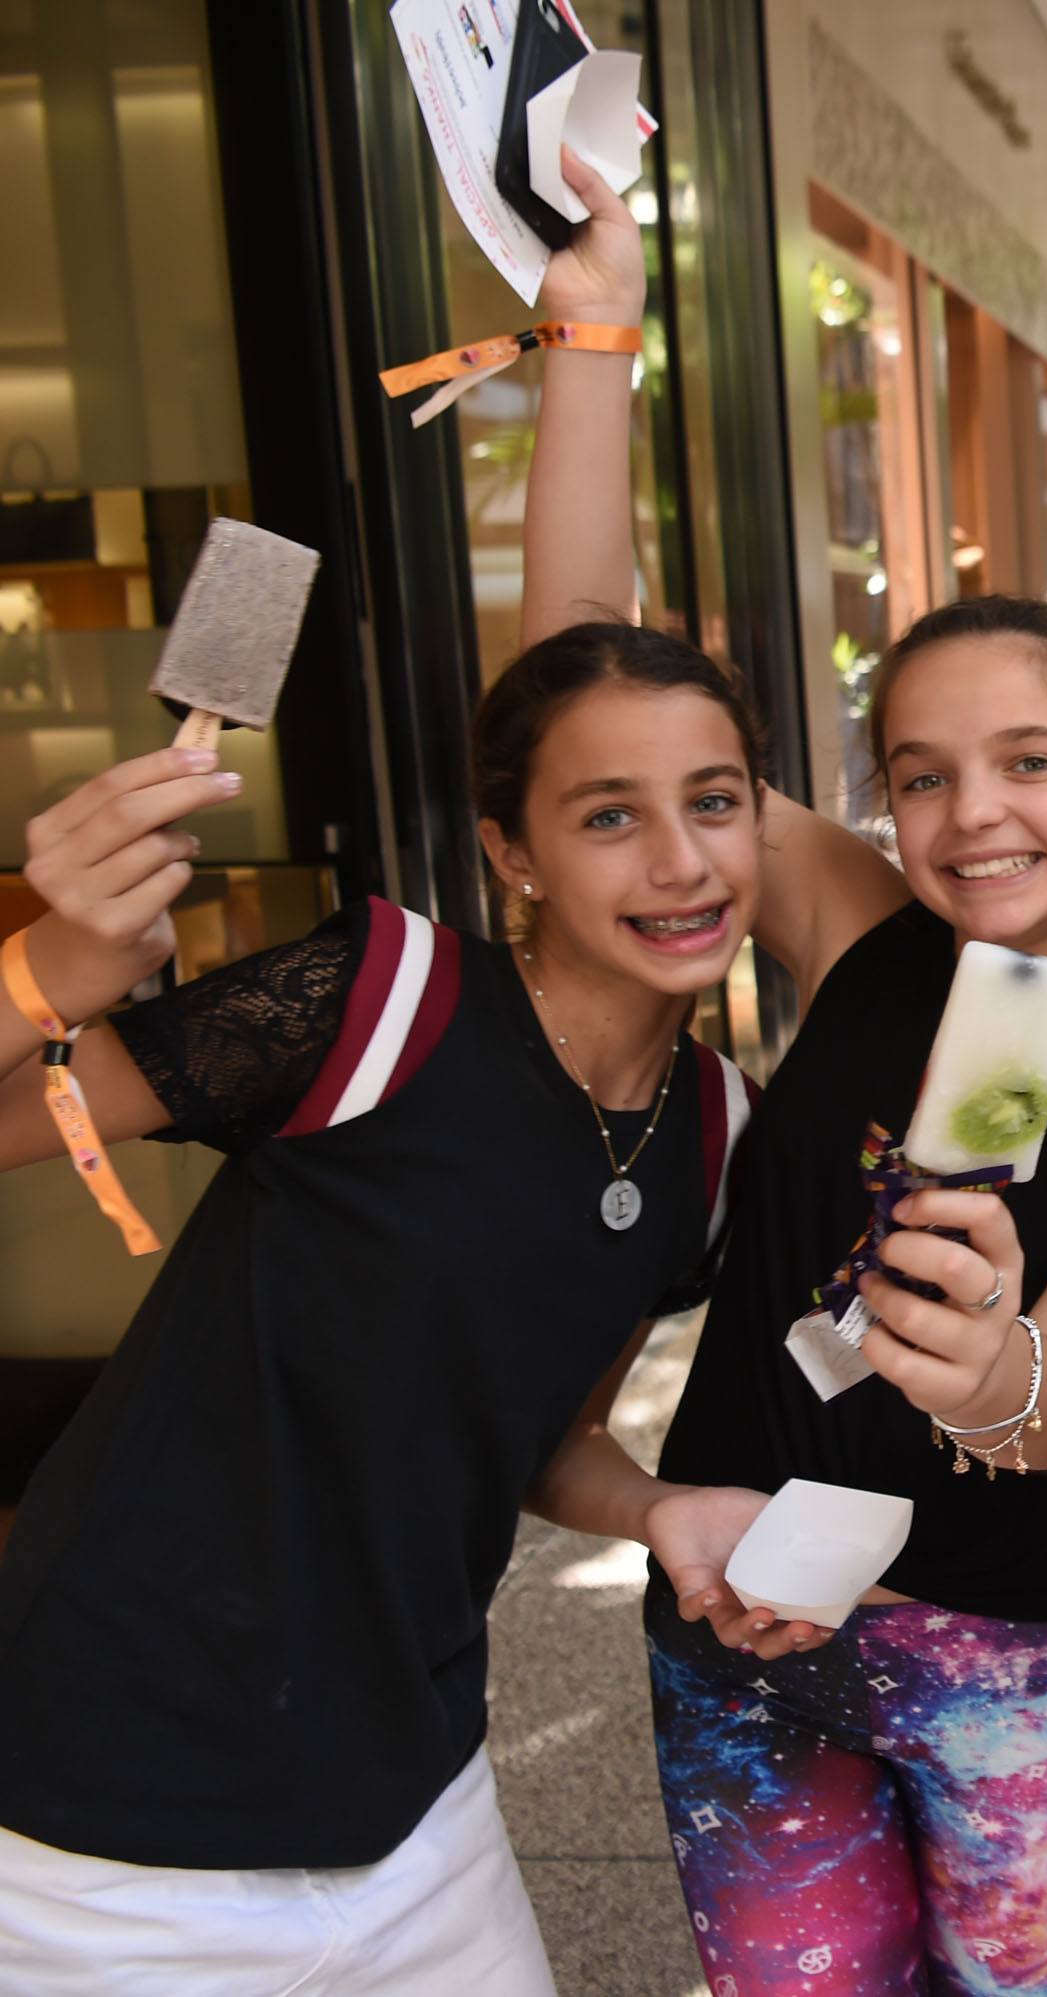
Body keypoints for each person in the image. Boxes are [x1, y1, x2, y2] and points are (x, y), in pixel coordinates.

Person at [511, 161, 1047, 1995]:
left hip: (1000, 1650)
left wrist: (993, 1365)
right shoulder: (857, 924)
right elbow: (584, 693)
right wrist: (593, 328)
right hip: (744, 1596)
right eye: (920, 772)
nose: (969, 813)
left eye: (1028, 762)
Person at [0, 626, 766, 1996]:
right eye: (608, 816)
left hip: (413, 1808)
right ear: (513, 853)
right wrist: (48, 966)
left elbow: (543, 1432)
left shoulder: (710, 1133)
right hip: (100, 1836)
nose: (682, 861)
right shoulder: (383, 997)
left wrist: (657, 1507)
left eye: (714, 799)